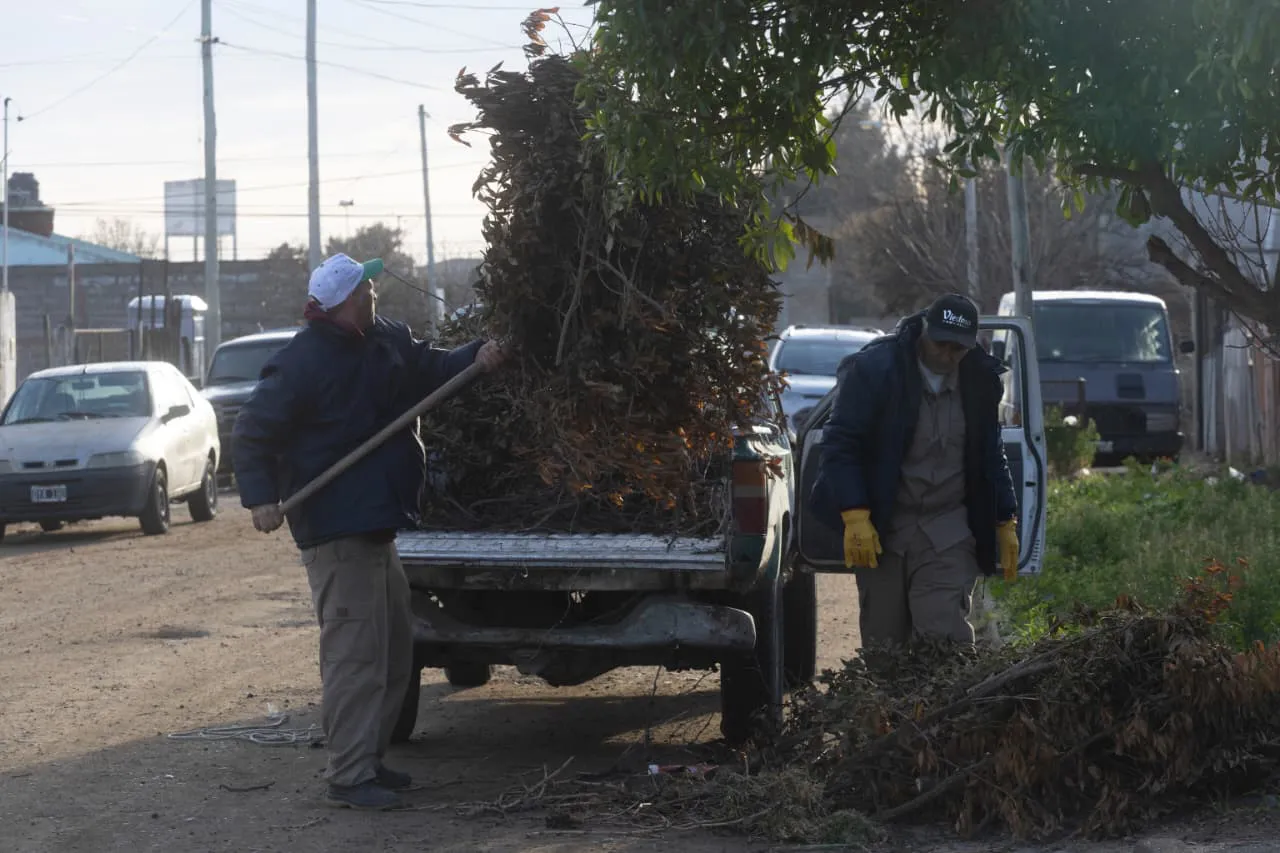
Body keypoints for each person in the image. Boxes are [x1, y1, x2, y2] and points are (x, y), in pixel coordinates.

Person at [232, 252, 506, 810]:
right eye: (365, 291)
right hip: (335, 527)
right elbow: (252, 431)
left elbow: (434, 368)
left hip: (378, 522)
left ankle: (371, 759)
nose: (374, 295)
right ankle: (350, 774)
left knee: (394, 650)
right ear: (341, 305)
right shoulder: (302, 363)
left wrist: (478, 356)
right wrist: (260, 497)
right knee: (355, 656)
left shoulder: (384, 340)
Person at [811, 293, 1020, 651]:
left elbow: (989, 453)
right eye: (941, 344)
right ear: (924, 331)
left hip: (949, 530)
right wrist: (855, 514)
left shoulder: (980, 381)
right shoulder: (876, 370)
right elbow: (841, 444)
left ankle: (950, 707)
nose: (948, 355)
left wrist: (1004, 518)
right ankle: (891, 708)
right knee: (884, 646)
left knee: (943, 640)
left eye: (959, 348)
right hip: (885, 527)